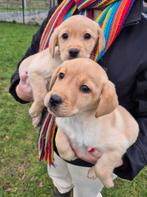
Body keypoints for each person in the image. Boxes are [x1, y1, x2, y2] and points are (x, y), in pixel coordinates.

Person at [9, 0, 147, 197]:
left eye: (87, 37)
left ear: (99, 41)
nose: (74, 47)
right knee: (59, 178)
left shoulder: (143, 27)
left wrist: (119, 157)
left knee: (86, 191)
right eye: (65, 37)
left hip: (92, 146)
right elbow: (33, 57)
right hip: (52, 134)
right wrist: (20, 88)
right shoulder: (60, 9)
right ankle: (61, 189)